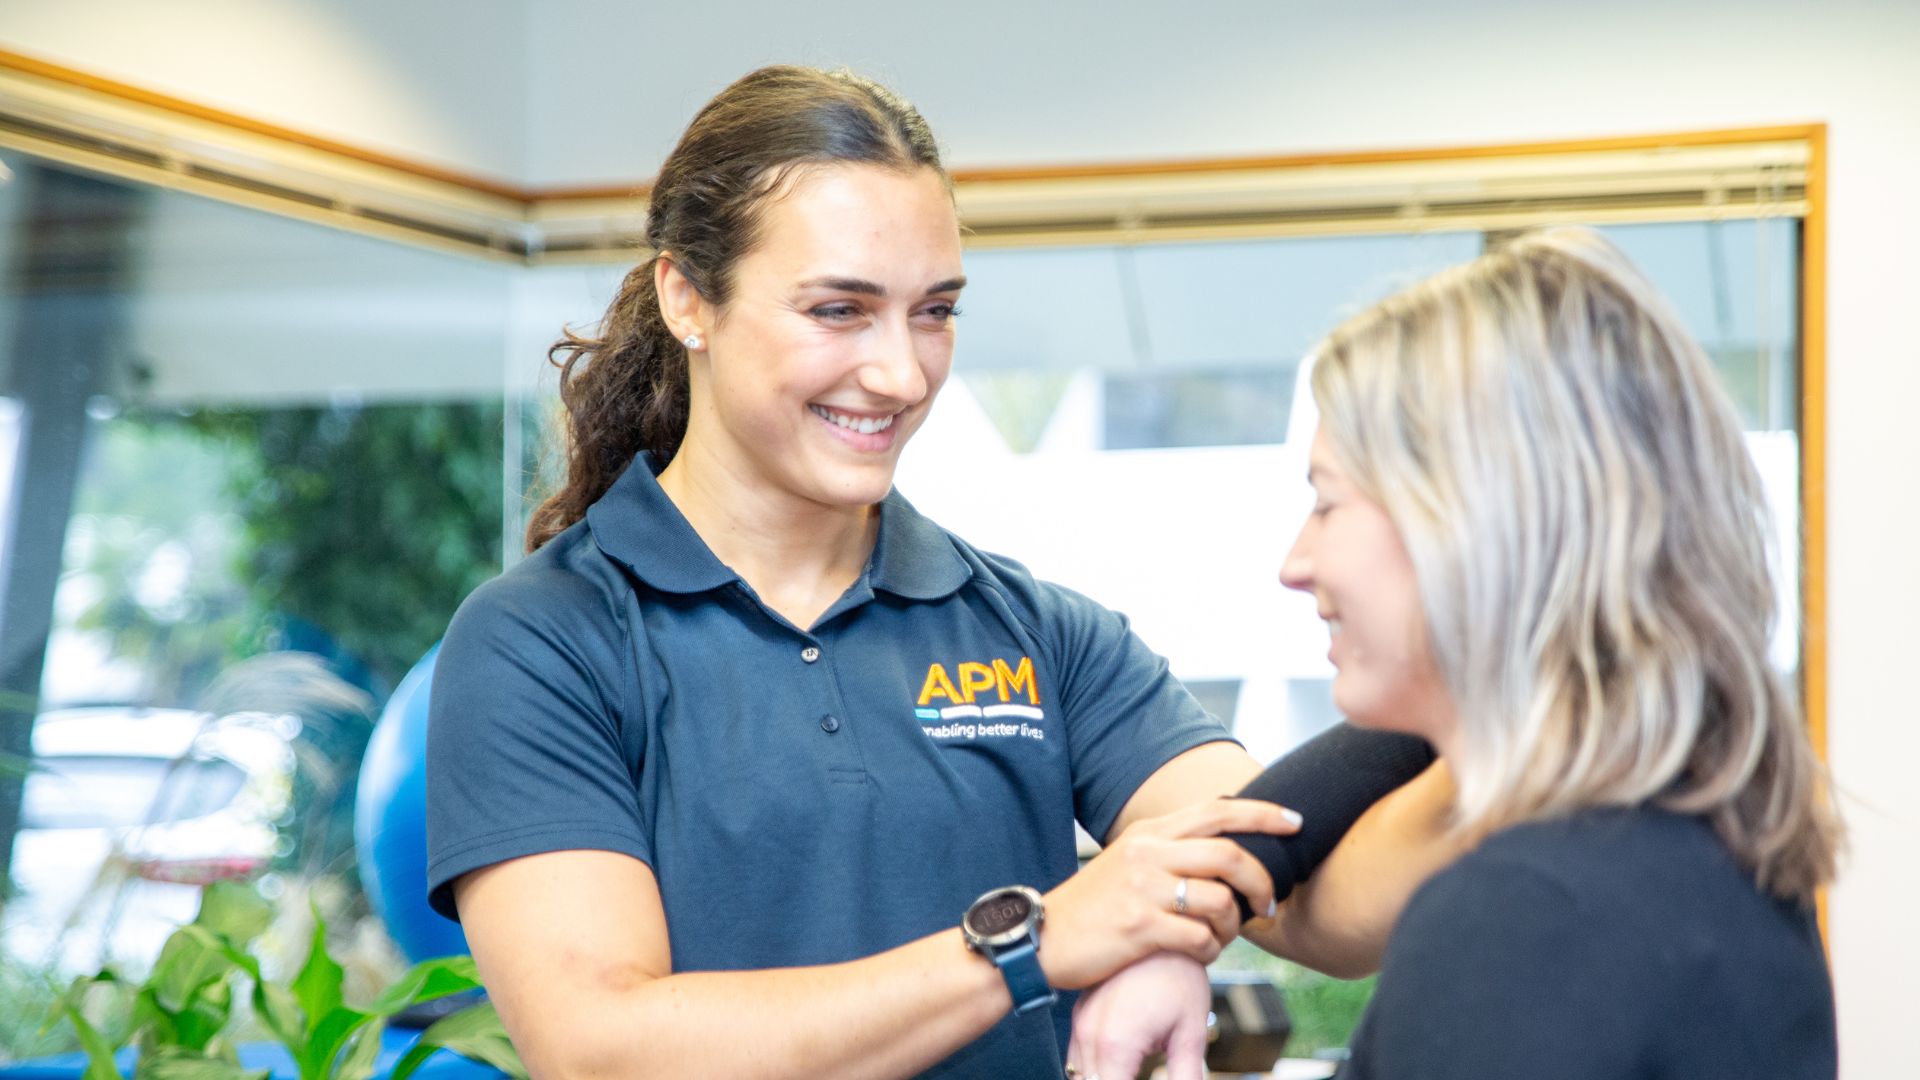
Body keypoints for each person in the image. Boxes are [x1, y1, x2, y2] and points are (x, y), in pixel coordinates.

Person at [424, 66, 1458, 1079]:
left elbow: (1311, 898)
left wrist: (1529, 729)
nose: (902, 373)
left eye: (935, 310)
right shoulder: (543, 641)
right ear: (689, 299)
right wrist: (1026, 945)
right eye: (839, 310)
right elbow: (605, 1049)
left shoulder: (1037, 633)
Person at [1067, 227, 1842, 1079]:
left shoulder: (1518, 916)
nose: (1297, 564)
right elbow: (1400, 752)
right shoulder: (1709, 823)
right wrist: (1205, 909)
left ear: (1471, 528)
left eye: (1328, 504)